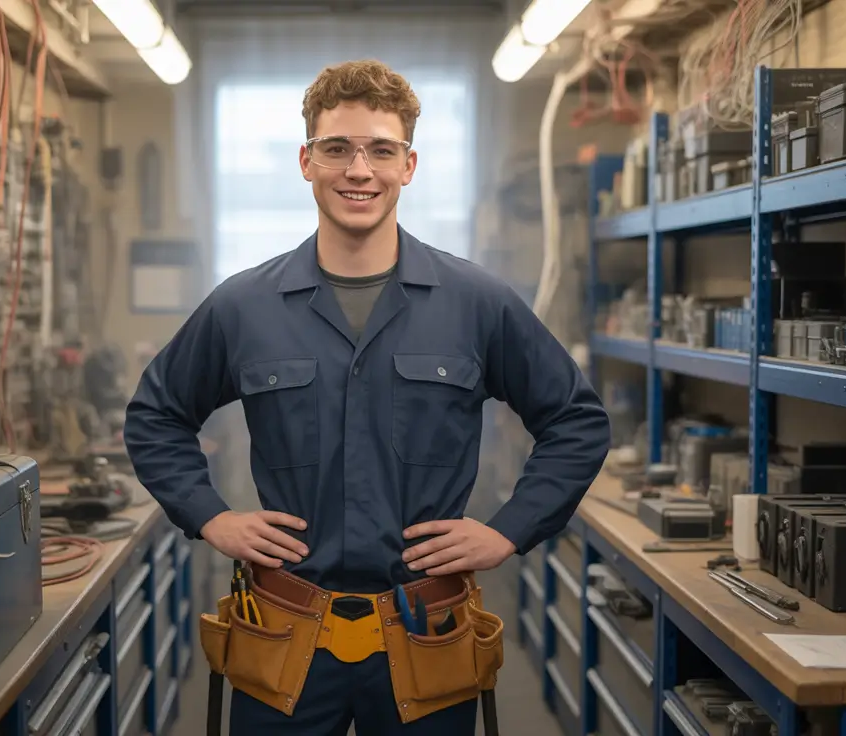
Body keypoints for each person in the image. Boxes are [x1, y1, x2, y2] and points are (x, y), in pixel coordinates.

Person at [124, 59, 610, 736]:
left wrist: (508, 529)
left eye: (382, 150)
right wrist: (210, 516)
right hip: (285, 634)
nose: (360, 170)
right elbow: (156, 414)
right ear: (306, 161)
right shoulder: (244, 306)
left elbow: (576, 420)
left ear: (408, 166)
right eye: (338, 149)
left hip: (426, 633)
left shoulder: (477, 303)